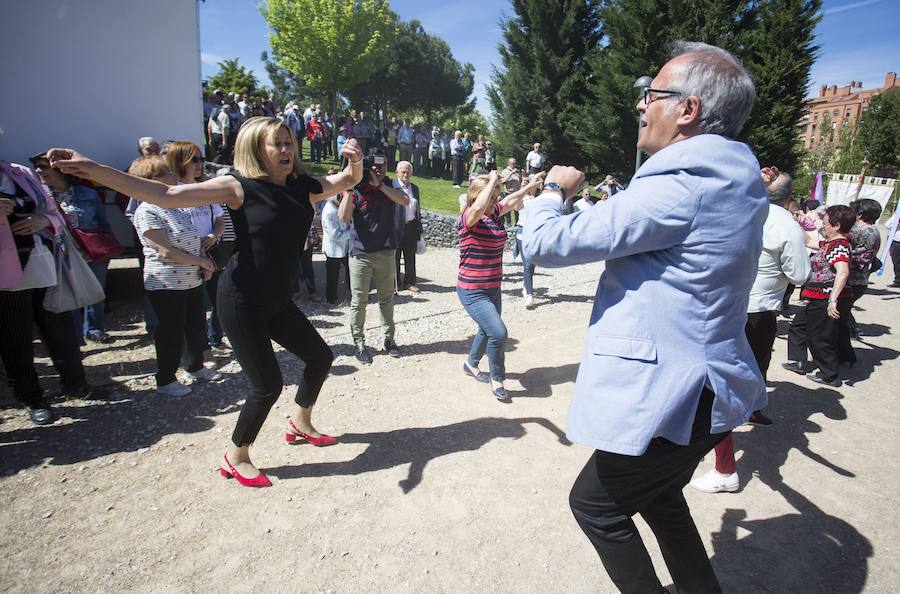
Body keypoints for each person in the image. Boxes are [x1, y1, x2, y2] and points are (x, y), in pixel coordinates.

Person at [522, 41, 767, 593]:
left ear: (688, 109)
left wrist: (554, 190)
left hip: (678, 395)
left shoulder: (683, 184)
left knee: (596, 507)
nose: (641, 105)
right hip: (706, 392)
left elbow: (544, 242)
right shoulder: (730, 178)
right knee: (660, 500)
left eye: (651, 95)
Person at [48, 117, 365, 488]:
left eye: (288, 143)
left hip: (278, 299)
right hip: (241, 300)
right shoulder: (237, 187)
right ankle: (236, 456)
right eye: (276, 144)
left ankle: (301, 423)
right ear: (255, 149)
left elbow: (347, 180)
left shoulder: (301, 186)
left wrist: (354, 159)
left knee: (320, 357)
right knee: (267, 386)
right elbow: (165, 195)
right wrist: (92, 168)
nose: (285, 150)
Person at [690, 167, 811, 494]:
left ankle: (726, 461)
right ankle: (728, 459)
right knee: (740, 376)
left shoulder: (736, 210)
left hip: (720, 306)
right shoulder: (787, 225)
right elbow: (800, 274)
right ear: (788, 197)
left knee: (719, 384)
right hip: (756, 312)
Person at [1, 159, 110, 425]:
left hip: (45, 265)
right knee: (17, 340)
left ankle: (76, 384)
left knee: (61, 332)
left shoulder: (19, 172)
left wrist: (43, 220)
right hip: (8, 275)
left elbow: (55, 213)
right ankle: (32, 399)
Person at [128, 156, 221, 397]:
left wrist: (204, 263)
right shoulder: (146, 211)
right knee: (170, 332)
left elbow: (192, 239)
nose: (172, 178)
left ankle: (195, 366)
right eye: (165, 174)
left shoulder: (176, 208)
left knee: (195, 326)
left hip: (191, 279)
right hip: (166, 282)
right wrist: (202, 261)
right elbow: (165, 251)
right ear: (149, 182)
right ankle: (166, 379)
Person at [458, 171, 544, 401]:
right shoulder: (469, 217)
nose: (496, 201)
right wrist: (494, 180)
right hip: (473, 290)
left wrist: (531, 186)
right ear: (478, 195)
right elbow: (476, 208)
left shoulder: (493, 213)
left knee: (487, 330)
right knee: (498, 332)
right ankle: (497, 379)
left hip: (493, 287)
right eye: (492, 197)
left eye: (496, 197)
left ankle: (471, 363)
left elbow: (511, 199)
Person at [30, 152, 114, 344]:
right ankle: (74, 336)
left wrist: (106, 249)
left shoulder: (89, 194)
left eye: (44, 166)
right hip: (59, 253)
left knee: (95, 290)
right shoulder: (39, 197)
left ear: (61, 170)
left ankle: (94, 329)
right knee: (68, 291)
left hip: (92, 251)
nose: (38, 171)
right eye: (37, 166)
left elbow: (103, 223)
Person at [338, 150, 410, 364]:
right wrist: (349, 189)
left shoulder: (389, 185)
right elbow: (343, 217)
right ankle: (359, 343)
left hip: (386, 252)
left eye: (384, 164)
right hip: (360, 254)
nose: (380, 169)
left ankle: (389, 340)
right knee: (359, 301)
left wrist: (380, 185)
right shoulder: (356, 187)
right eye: (375, 165)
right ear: (368, 166)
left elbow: (405, 201)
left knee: (386, 299)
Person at [784, 205, 856, 387]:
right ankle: (798, 361)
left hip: (825, 297)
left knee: (818, 336)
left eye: (826, 223)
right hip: (816, 295)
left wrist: (832, 300)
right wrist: (795, 224)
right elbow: (808, 241)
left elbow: (843, 272)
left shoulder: (839, 245)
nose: (823, 226)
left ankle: (829, 374)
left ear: (837, 225)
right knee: (798, 326)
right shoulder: (831, 243)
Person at [165, 141, 228, 351]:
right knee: (194, 306)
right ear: (179, 161)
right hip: (186, 255)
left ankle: (214, 338)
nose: (200, 164)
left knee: (218, 298)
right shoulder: (170, 191)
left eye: (201, 159)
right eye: (194, 160)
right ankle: (196, 348)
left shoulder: (206, 189)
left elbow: (220, 219)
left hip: (210, 249)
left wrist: (214, 235)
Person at [843, 199, 882, 341]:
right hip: (862, 279)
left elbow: (833, 235)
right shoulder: (875, 231)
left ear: (859, 214)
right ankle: (852, 331)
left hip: (849, 278)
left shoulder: (858, 231)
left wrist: (813, 220)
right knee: (844, 309)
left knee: (839, 309)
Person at [516, 173, 547, 308]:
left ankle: (526, 285)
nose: (537, 182)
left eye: (538, 180)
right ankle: (529, 294)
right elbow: (516, 206)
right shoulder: (523, 198)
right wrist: (522, 188)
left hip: (536, 234)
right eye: (533, 180)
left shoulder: (541, 199)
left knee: (532, 263)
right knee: (528, 264)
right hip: (523, 232)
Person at [393, 161, 423, 293]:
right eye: (403, 172)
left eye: (408, 172)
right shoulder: (392, 186)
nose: (405, 174)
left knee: (410, 256)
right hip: (395, 227)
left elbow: (417, 209)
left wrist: (419, 228)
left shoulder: (414, 188)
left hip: (411, 226)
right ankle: (395, 284)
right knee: (394, 257)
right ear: (397, 173)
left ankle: (409, 282)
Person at [321, 177, 352, 305]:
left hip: (345, 246)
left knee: (351, 270)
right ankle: (331, 297)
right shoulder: (329, 211)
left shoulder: (337, 206)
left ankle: (352, 292)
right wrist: (352, 233)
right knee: (332, 275)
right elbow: (335, 235)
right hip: (334, 248)